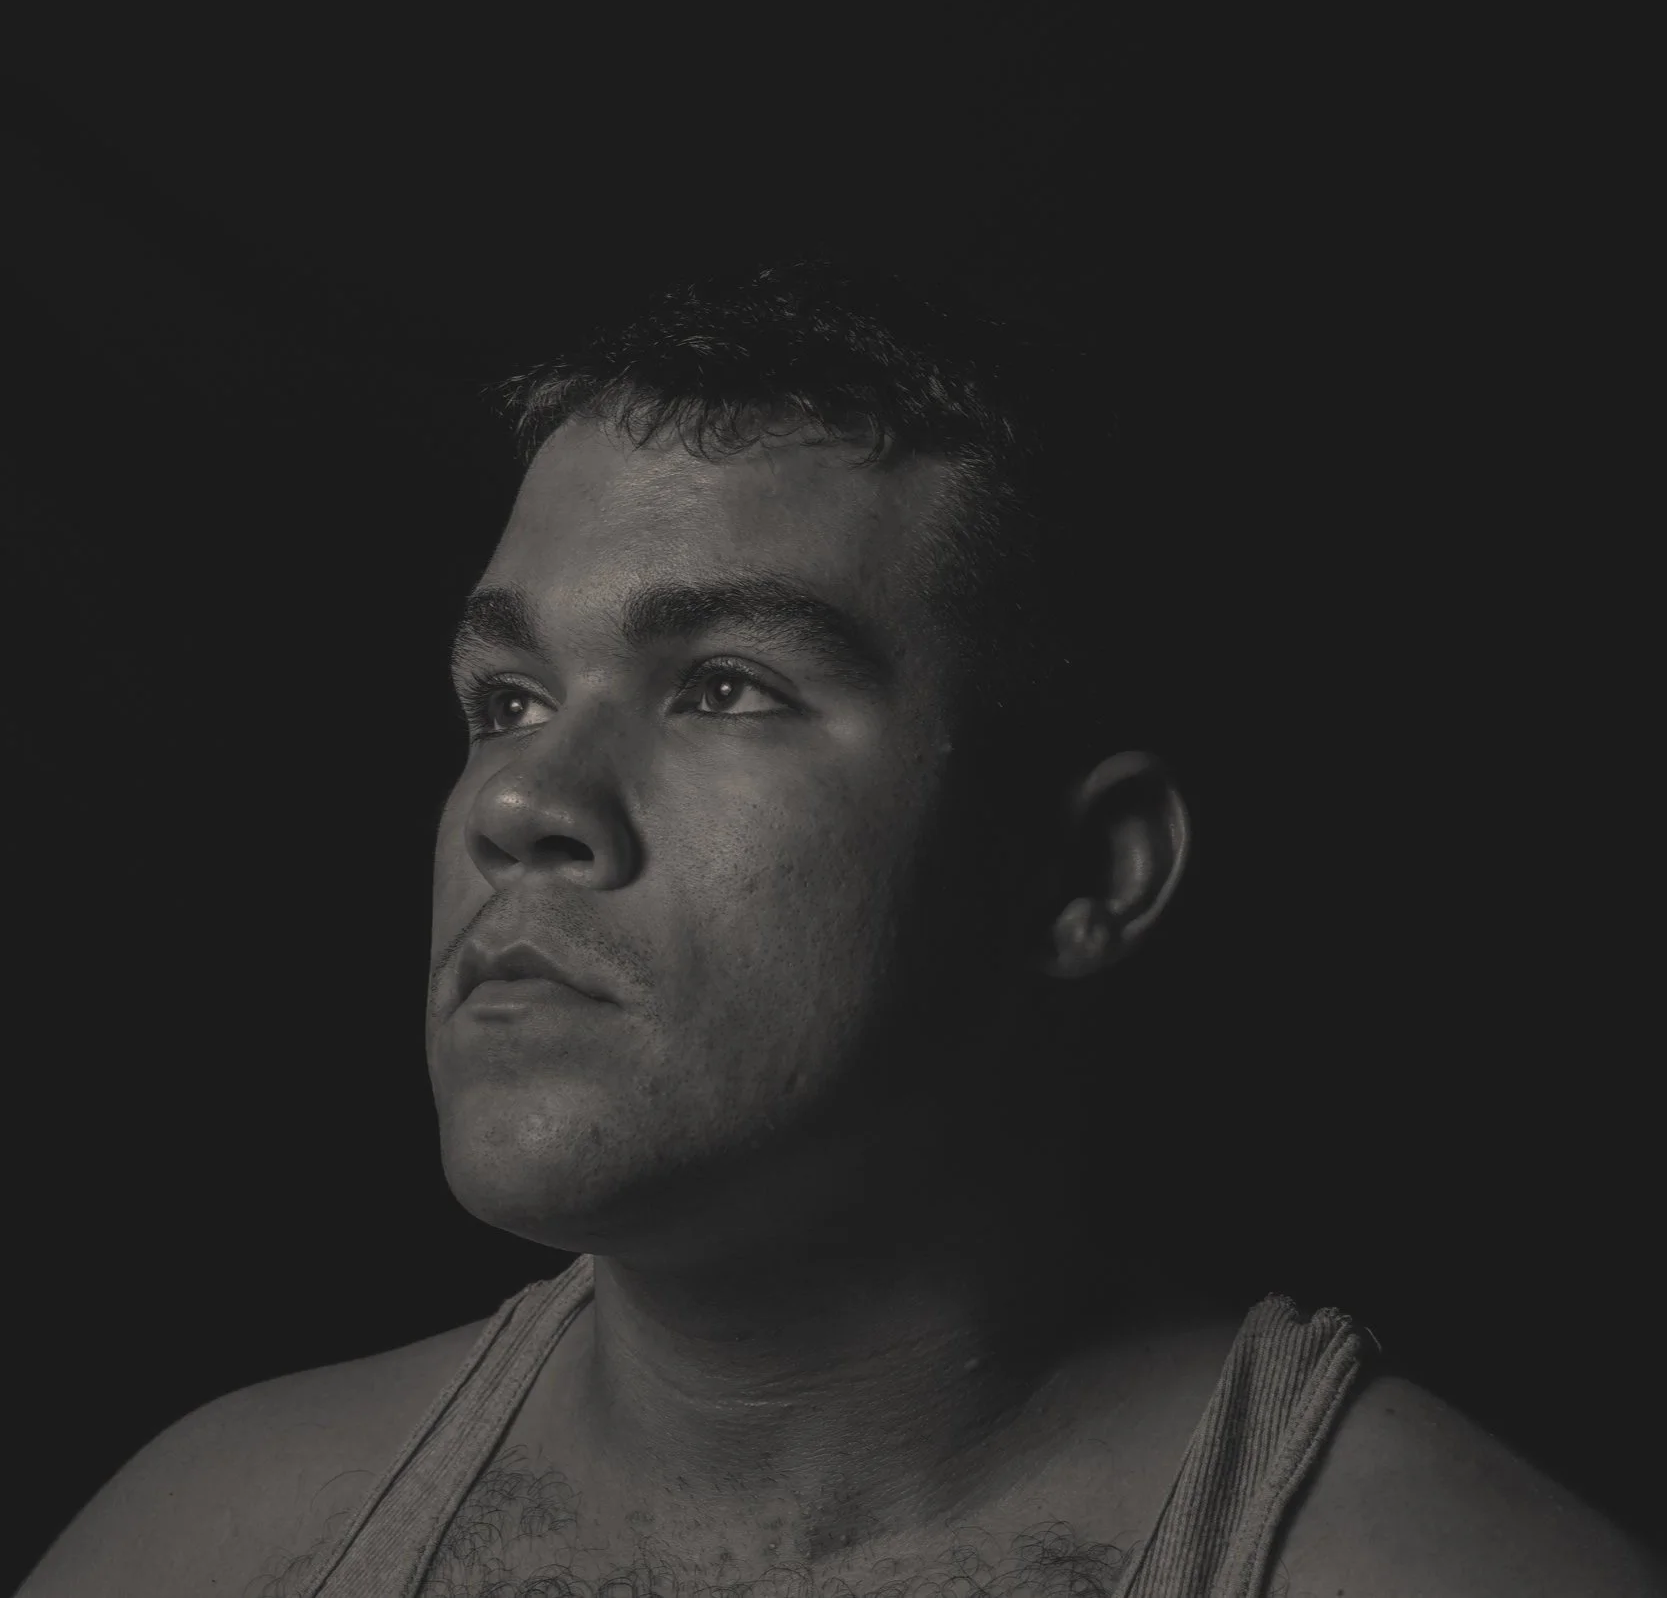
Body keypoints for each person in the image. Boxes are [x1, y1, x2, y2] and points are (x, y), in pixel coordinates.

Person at [19, 257, 1660, 1598]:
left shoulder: (1444, 1568)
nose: (520, 802)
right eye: (505, 697)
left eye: (724, 686)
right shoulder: (212, 1539)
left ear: (1088, 872)